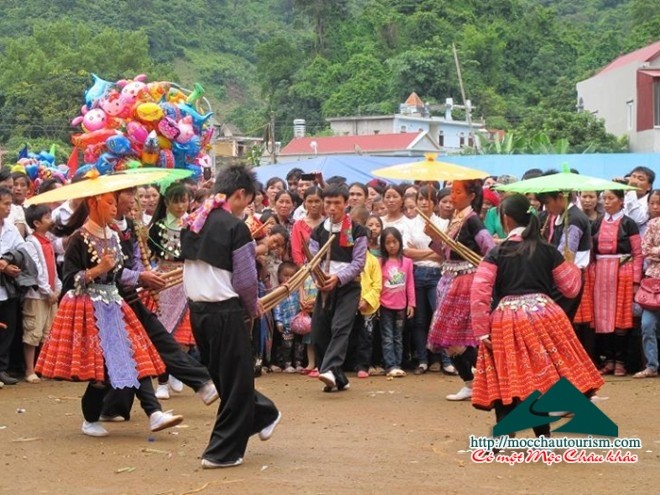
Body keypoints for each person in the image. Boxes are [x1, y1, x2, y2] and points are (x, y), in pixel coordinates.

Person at [35, 191, 183, 437]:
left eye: (115, 203)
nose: (115, 208)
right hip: (89, 311)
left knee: (134, 355)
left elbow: (119, 272)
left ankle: (154, 412)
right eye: (110, 203)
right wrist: (97, 269)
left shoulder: (113, 235)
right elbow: (70, 279)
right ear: (94, 203)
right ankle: (91, 419)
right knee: (101, 374)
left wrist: (137, 278)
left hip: (114, 304)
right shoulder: (79, 238)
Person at [470, 194, 604, 434]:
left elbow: (479, 293)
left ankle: (505, 431)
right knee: (539, 377)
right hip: (545, 317)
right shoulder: (547, 250)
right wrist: (570, 263)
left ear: (506, 219)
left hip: (507, 320)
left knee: (507, 373)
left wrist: (481, 332)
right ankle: (542, 435)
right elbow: (571, 288)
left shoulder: (497, 253)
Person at [181, 164, 280, 469]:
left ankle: (249, 425)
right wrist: (253, 307)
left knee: (227, 379)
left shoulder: (192, 221)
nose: (245, 209)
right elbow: (247, 280)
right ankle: (238, 437)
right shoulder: (235, 228)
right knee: (234, 381)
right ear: (239, 194)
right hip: (225, 311)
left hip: (199, 312)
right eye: (247, 202)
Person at [101, 188, 218, 422]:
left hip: (129, 296)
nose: (133, 200)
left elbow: (135, 260)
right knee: (129, 351)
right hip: (105, 301)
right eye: (128, 194)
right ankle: (133, 407)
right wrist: (138, 278)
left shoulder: (131, 227)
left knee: (154, 339)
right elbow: (107, 269)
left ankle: (198, 383)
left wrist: (146, 276)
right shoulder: (98, 230)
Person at [426, 179, 495, 401]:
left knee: (454, 337)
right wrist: (434, 237)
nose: (452, 197)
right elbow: (446, 253)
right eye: (452, 192)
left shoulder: (472, 220)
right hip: (448, 280)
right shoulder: (455, 219)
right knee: (446, 338)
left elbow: (490, 250)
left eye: (457, 192)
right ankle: (470, 382)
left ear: (472, 196)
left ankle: (491, 378)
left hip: (465, 282)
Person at [310, 184, 367, 392]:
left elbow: (358, 262)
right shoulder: (318, 231)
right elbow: (313, 259)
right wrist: (317, 277)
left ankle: (328, 369)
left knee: (340, 327)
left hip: (348, 287)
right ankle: (338, 378)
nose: (332, 207)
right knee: (318, 331)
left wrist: (338, 278)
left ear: (346, 204)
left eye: (337, 203)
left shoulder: (358, 231)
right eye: (328, 203)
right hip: (324, 286)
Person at [147, 183, 195, 400]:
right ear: (166, 202)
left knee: (184, 337)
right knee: (163, 333)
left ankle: (176, 369)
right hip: (164, 282)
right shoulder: (156, 227)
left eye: (184, 200)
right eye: (176, 201)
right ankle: (162, 380)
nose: (180, 205)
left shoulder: (194, 224)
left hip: (186, 280)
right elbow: (153, 252)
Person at [591, 189, 643, 376]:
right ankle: (610, 360)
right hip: (601, 275)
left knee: (620, 318)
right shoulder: (596, 223)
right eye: (604, 198)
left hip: (622, 273)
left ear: (621, 201)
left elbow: (638, 254)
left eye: (611, 198)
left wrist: (636, 280)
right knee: (602, 318)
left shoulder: (629, 224)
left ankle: (621, 361)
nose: (606, 202)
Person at [403, 186, 451, 375]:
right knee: (419, 320)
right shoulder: (410, 224)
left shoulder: (444, 223)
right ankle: (422, 360)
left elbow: (445, 253)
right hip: (416, 273)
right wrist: (433, 252)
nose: (424, 202)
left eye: (428, 199)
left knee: (440, 316)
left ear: (435, 202)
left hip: (438, 274)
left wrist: (422, 253)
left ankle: (447, 359)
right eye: (421, 198)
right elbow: (406, 251)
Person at [537, 189, 592, 321]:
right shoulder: (563, 217)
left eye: (547, 202)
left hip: (567, 277)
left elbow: (566, 255)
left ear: (560, 198)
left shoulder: (573, 220)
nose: (546, 208)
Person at [23, 205, 61, 384]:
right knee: (33, 331)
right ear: (37, 223)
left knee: (48, 332)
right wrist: (47, 291)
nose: (51, 220)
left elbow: (53, 266)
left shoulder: (48, 241)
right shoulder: (31, 243)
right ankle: (30, 369)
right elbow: (37, 269)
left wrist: (57, 288)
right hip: (37, 295)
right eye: (47, 217)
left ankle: (44, 367)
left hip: (51, 293)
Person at [349, 207, 381, 378]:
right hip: (350, 302)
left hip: (367, 305)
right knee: (348, 334)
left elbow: (377, 285)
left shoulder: (373, 261)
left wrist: (367, 300)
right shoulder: (349, 258)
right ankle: (349, 363)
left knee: (366, 337)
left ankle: (363, 365)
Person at [0, 187, 28, 386]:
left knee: (7, 329)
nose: (8, 208)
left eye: (10, 204)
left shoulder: (10, 228)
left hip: (7, 287)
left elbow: (23, 250)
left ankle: (2, 369)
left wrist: (9, 263)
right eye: (5, 204)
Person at [379, 227, 415, 378]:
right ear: (383, 245)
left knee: (398, 336)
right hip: (385, 305)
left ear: (400, 242)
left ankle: (398, 364)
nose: (392, 246)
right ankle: (390, 365)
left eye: (394, 242)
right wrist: (376, 305)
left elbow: (410, 284)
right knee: (387, 336)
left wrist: (411, 304)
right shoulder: (380, 262)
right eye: (388, 243)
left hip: (401, 306)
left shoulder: (407, 262)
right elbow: (378, 284)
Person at [635, 189, 660, 378]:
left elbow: (651, 250)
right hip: (652, 283)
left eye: (659, 203)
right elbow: (645, 250)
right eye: (652, 203)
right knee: (647, 325)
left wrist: (655, 250)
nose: (655, 207)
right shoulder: (652, 224)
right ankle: (652, 365)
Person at [272, 261, 302, 373]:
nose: (288, 278)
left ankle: (298, 363)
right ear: (279, 276)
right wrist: (278, 321)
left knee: (299, 344)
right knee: (286, 345)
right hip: (285, 324)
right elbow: (277, 307)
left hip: (297, 323)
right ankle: (287, 363)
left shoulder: (298, 290)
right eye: (285, 275)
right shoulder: (278, 292)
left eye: (291, 276)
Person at [290, 187, 324, 267]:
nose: (313, 205)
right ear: (304, 202)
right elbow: (296, 251)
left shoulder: (327, 223)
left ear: (323, 201)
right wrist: (304, 270)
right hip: (305, 269)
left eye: (317, 201)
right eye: (310, 201)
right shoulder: (298, 225)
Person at [623, 166, 654, 235]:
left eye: (640, 179)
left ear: (649, 187)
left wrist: (631, 190)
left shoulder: (650, 201)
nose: (635, 181)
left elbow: (636, 220)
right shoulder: (625, 196)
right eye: (633, 177)